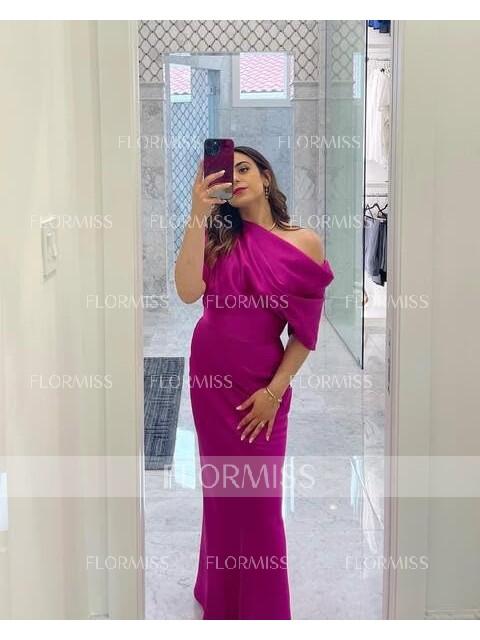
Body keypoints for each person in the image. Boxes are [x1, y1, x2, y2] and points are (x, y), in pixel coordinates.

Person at [174, 146, 335, 619]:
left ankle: (263, 614)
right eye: (227, 172)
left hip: (262, 383)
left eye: (244, 168)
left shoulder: (304, 242)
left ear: (266, 177)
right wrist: (197, 213)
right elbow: (187, 291)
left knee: (260, 504)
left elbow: (304, 334)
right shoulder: (216, 236)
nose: (236, 177)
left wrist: (273, 393)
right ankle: (220, 596)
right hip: (210, 378)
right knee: (223, 494)